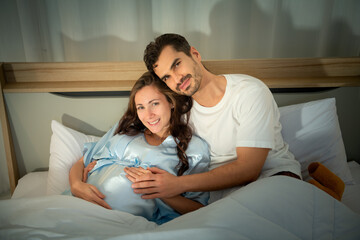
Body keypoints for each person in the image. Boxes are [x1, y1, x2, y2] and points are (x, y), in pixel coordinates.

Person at [124, 33, 301, 202]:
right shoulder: (180, 111)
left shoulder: (248, 92)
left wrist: (177, 185)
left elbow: (249, 169)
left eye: (177, 64)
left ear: (195, 54)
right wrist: (96, 160)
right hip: (222, 198)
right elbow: (139, 125)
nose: (177, 79)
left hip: (273, 181)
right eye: (167, 77)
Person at [67, 71, 210, 224]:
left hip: (119, 223)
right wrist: (76, 185)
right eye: (140, 107)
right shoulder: (126, 130)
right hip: (76, 204)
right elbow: (81, 163)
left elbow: (199, 210)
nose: (148, 115)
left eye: (154, 104)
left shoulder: (193, 149)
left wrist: (160, 190)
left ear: (171, 102)